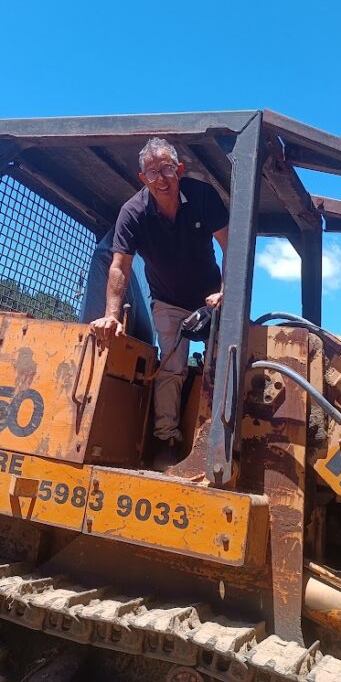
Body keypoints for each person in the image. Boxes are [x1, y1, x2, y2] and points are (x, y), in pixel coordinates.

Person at [90, 137, 228, 468]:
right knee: (171, 366)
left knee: (222, 361)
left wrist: (227, 291)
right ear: (143, 178)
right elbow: (119, 266)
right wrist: (111, 315)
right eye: (152, 172)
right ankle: (167, 439)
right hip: (167, 300)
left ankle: (219, 438)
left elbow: (232, 245)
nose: (161, 178)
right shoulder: (133, 212)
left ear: (179, 169)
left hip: (212, 298)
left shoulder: (202, 196)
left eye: (167, 169)